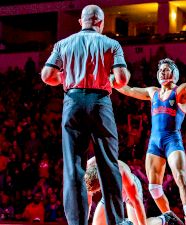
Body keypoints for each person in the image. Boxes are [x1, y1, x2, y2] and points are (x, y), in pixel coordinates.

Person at [116, 46, 186, 225]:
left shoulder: (181, 91)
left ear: (174, 74)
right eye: (160, 70)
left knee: (179, 176)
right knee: (154, 188)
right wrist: (107, 83)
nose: (162, 72)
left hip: (172, 141)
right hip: (154, 143)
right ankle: (170, 217)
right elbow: (129, 90)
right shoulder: (152, 92)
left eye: (166, 69)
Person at [40, 5, 131, 225]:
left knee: (73, 165)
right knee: (108, 164)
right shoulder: (111, 44)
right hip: (100, 102)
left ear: (81, 22)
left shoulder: (63, 44)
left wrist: (67, 77)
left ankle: (76, 223)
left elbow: (46, 75)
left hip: (72, 102)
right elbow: (121, 79)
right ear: (100, 23)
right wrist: (110, 78)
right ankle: (116, 222)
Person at [85, 157, 184, 225]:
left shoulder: (121, 171)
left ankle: (166, 218)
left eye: (98, 190)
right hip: (111, 192)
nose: (97, 193)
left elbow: (136, 202)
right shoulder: (87, 169)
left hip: (128, 188)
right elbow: (88, 199)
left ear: (102, 180)